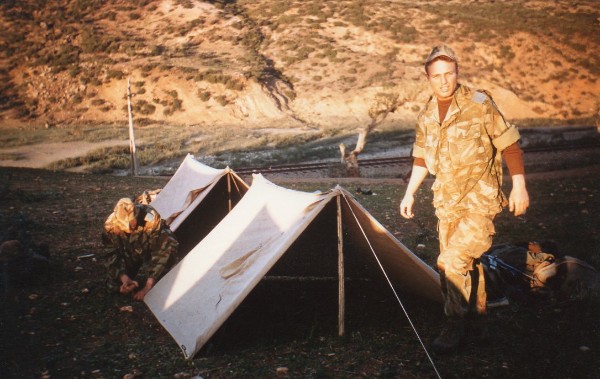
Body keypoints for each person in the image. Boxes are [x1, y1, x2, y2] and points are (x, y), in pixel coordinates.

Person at [399, 45, 530, 353]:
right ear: (428, 78)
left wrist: (520, 186)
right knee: (468, 265)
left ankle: (453, 325)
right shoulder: (427, 115)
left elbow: (509, 145)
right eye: (437, 76)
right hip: (447, 203)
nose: (444, 81)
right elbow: (421, 158)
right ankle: (480, 324)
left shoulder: (480, 103)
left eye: (449, 73)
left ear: (457, 73)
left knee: (450, 263)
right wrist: (409, 193)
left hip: (479, 202)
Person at [102, 197, 179, 301]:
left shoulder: (149, 216)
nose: (129, 229)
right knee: (113, 286)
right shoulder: (110, 226)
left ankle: (155, 278)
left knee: (168, 240)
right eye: (125, 228)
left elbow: (161, 249)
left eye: (132, 226)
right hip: (129, 253)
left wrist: (148, 286)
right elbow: (110, 255)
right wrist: (123, 278)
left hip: (148, 251)